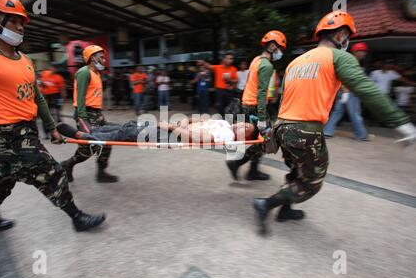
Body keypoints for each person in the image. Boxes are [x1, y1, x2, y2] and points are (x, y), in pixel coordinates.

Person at [252, 11, 416, 234]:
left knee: (296, 171)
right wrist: (401, 123)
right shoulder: (338, 57)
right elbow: (367, 89)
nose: (347, 41)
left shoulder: (295, 62)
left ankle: (285, 209)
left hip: (282, 127)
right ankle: (266, 204)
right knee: (311, 181)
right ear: (340, 34)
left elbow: (285, 97)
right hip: (305, 131)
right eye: (347, 35)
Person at [0, 0, 105, 232]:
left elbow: (38, 97)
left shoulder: (25, 60)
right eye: (15, 21)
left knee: (8, 176)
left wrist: (51, 127)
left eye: (23, 22)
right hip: (7, 133)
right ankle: (77, 218)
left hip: (27, 129)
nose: (21, 27)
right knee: (52, 172)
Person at [227, 30, 287, 181]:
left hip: (248, 105)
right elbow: (261, 92)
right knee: (266, 139)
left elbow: (249, 84)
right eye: (279, 48)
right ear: (273, 46)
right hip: (255, 108)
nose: (280, 53)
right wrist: (261, 118)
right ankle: (238, 164)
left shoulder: (256, 60)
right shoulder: (266, 66)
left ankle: (251, 170)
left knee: (260, 139)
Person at [60, 45, 119, 183]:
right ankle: (67, 165)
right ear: (92, 58)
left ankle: (100, 172)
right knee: (92, 147)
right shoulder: (83, 72)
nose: (104, 60)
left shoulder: (97, 74)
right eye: (101, 57)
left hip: (97, 115)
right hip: (85, 114)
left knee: (105, 142)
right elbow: (79, 98)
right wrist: (82, 119)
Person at [57, 118, 258, 145]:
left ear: (244, 137)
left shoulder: (227, 136)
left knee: (129, 133)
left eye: (245, 129)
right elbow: (199, 121)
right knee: (132, 124)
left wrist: (173, 127)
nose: (241, 126)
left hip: (173, 136)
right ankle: (92, 129)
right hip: (175, 128)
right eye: (244, 124)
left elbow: (197, 138)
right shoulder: (223, 122)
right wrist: (183, 121)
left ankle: (85, 135)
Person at [324, 42, 370, 141]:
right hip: (349, 91)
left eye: (364, 51)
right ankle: (361, 134)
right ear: (355, 51)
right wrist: (344, 89)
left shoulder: (353, 60)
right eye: (361, 51)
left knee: (338, 112)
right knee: (355, 113)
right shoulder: (350, 60)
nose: (363, 53)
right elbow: (341, 74)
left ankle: (327, 131)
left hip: (346, 91)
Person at [39, 65, 66, 138]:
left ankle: (60, 130)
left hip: (56, 96)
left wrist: (63, 98)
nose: (53, 69)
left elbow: (62, 89)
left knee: (57, 113)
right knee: (46, 114)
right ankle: (47, 133)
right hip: (46, 96)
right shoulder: (45, 73)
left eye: (55, 68)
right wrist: (42, 85)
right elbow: (40, 82)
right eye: (52, 67)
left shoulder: (59, 77)